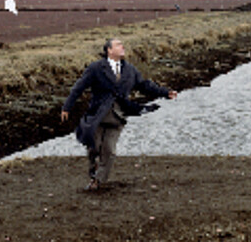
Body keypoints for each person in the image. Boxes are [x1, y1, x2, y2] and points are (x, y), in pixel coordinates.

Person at [60, 38, 177, 191]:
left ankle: (97, 181)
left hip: (118, 116)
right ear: (109, 50)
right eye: (118, 45)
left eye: (122, 45)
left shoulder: (130, 70)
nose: (123, 47)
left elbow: (144, 85)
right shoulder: (96, 68)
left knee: (109, 150)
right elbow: (78, 88)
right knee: (93, 148)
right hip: (97, 115)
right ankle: (93, 168)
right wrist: (66, 107)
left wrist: (165, 92)